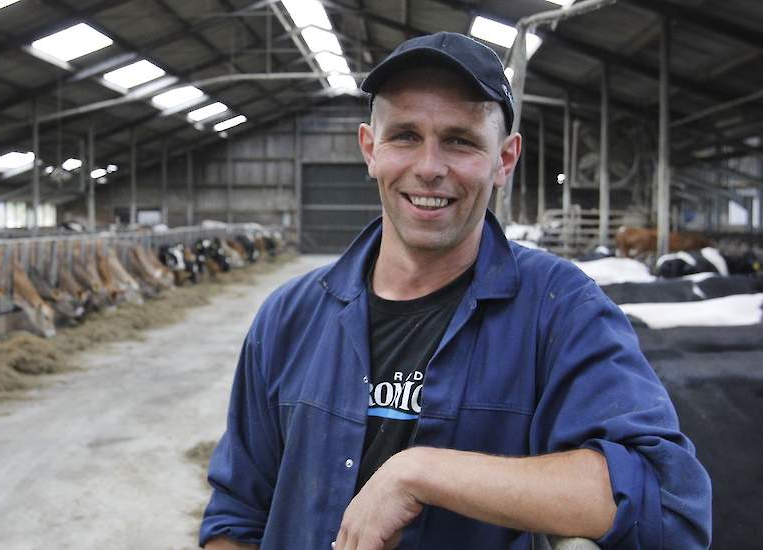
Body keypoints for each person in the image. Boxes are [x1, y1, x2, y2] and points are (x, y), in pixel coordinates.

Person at [199, 32, 711, 550]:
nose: (429, 167)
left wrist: (421, 472)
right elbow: (237, 514)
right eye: (404, 135)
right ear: (370, 149)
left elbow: (667, 501)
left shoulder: (560, 311)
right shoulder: (288, 318)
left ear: (504, 161)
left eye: (460, 140)